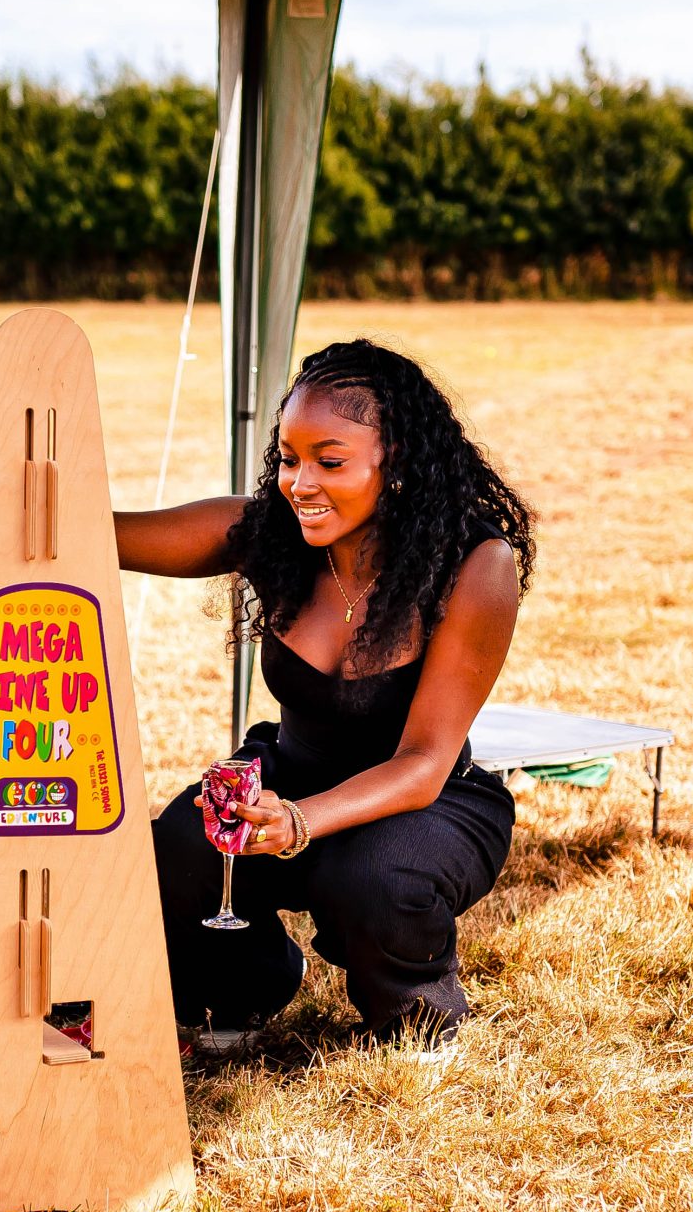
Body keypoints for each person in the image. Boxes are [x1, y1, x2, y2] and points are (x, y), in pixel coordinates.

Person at [115, 341, 528, 1052]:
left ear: (394, 459)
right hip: (289, 774)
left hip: (427, 800)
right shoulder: (277, 538)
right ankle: (244, 990)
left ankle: (420, 1018)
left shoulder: (476, 566)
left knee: (367, 876)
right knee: (181, 844)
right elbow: (107, 535)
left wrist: (300, 821)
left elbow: (425, 760)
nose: (299, 483)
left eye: (328, 461)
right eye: (288, 458)